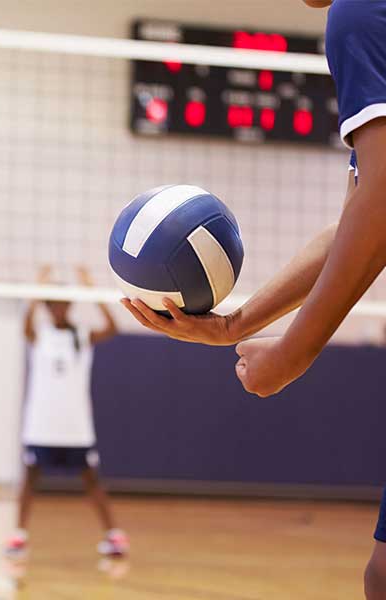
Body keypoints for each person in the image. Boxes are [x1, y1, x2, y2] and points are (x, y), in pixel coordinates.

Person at [121, 1, 386, 597]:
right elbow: (356, 219)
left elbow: (381, 208)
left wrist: (292, 353)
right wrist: (234, 323)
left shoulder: (361, 12)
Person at [5, 266, 129, 558]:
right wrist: (38, 289)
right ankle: (18, 536)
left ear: (70, 304)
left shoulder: (82, 335)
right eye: (53, 303)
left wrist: (92, 290)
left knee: (92, 481)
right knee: (29, 480)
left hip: (75, 427)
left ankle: (113, 536)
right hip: (41, 426)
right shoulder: (40, 334)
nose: (58, 308)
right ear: (47, 307)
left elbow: (113, 328)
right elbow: (25, 325)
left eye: (63, 302)